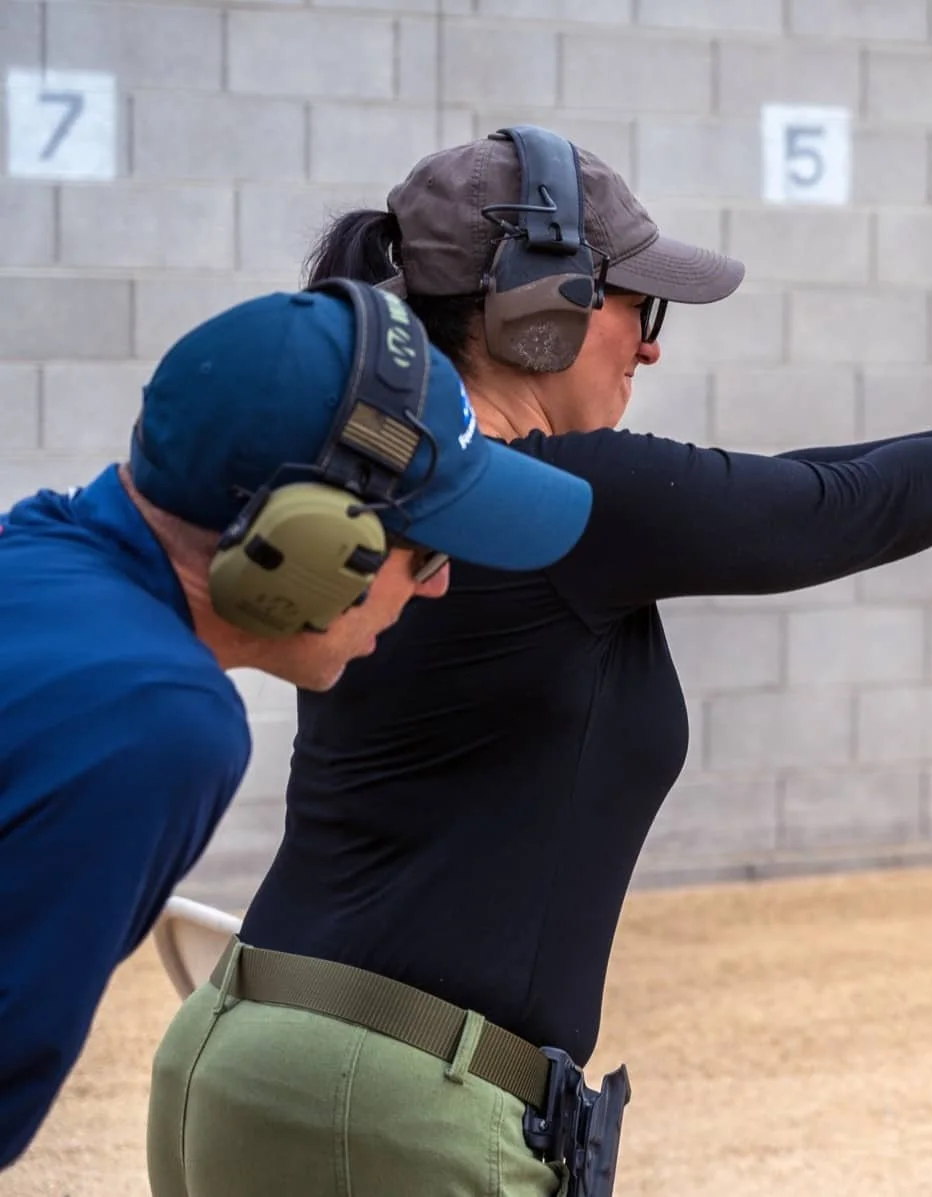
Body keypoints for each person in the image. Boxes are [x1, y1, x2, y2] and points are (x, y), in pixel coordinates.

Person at [143, 126, 932, 1197]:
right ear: (541, 311)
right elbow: (811, 514)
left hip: (242, 1048)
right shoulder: (568, 496)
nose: (652, 347)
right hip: (387, 1108)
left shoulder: (409, 480)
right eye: (639, 309)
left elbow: (781, 487)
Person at [0, 278, 594, 1170]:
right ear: (311, 541)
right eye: (425, 546)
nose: (437, 584)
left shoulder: (34, 553)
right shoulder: (159, 721)